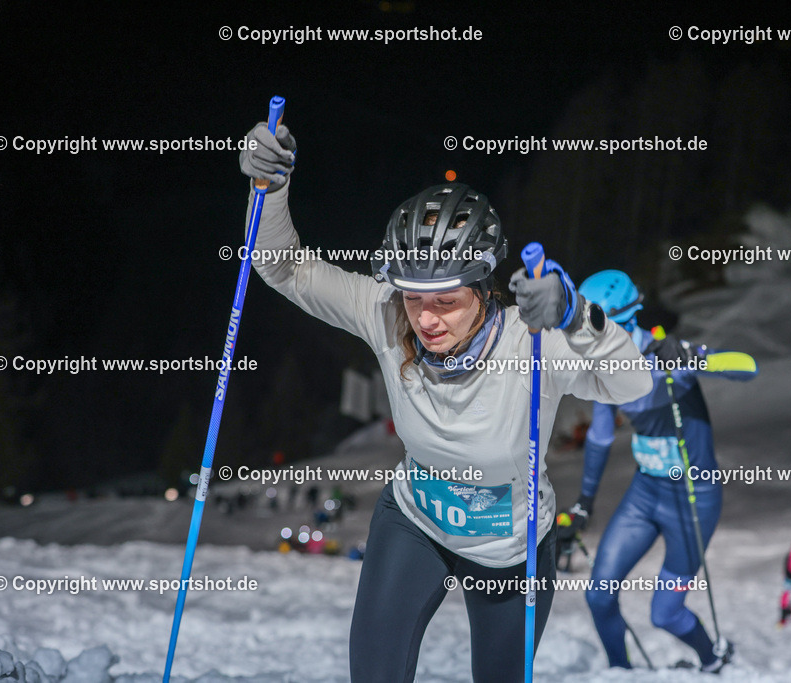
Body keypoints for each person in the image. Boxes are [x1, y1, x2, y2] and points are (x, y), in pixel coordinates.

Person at [239, 126, 653, 681]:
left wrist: (578, 318)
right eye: (414, 298)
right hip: (415, 525)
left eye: (447, 301)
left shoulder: (530, 340)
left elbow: (635, 387)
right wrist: (268, 188)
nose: (426, 319)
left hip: (511, 552)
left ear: (483, 288)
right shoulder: (384, 312)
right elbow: (284, 267)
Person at [566, 270, 757, 673]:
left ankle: (713, 660)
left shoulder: (665, 354)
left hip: (693, 501)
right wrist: (584, 502)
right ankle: (621, 672)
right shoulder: (604, 370)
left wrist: (690, 356)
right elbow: (600, 438)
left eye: (593, 323)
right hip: (645, 494)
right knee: (599, 595)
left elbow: (747, 366)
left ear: (624, 318)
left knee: (665, 613)